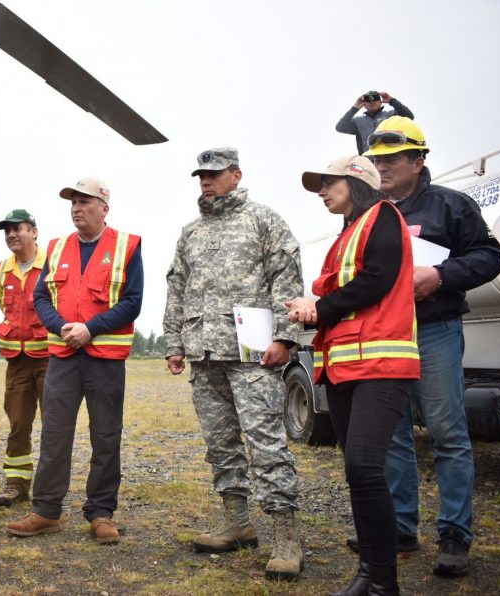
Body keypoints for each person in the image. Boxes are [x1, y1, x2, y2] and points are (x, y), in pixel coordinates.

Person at [358, 116, 500, 578]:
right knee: (394, 435)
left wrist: (439, 276)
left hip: (434, 329)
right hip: (385, 334)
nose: (382, 167)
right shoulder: (369, 212)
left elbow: (490, 256)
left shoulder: (450, 206)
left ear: (419, 161)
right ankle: (401, 528)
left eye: (392, 159)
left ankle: (455, 535)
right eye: (377, 160)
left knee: (447, 433)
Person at [163, 148, 305, 580]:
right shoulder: (190, 233)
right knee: (220, 444)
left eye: (214, 174)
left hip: (253, 355)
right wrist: (173, 342)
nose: (205, 181)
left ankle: (285, 537)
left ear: (236, 175)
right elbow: (177, 287)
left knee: (266, 443)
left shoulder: (263, 219)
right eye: (201, 175)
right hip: (205, 355)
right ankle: (237, 523)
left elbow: (288, 277)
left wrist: (285, 337)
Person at [286, 155, 420, 595]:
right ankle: (370, 574)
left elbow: (377, 279)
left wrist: (318, 307)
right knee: (356, 469)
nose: (322, 192)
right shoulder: (346, 233)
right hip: (345, 366)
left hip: (380, 365)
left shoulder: (382, 217)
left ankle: (383, 582)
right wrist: (309, 311)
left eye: (328, 183)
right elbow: (345, 292)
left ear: (356, 181)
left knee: (364, 466)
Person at [5, 177, 143, 544]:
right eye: (73, 203)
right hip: (64, 358)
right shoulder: (56, 246)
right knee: (54, 434)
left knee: (106, 436)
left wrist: (90, 329)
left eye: (84, 202)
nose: (76, 208)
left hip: (106, 360)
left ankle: (100, 513)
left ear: (103, 207)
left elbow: (133, 301)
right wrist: (62, 326)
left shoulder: (127, 246)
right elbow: (42, 298)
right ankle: (47, 511)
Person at [0, 208, 49, 507]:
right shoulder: (1, 270)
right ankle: (16, 484)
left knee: (54, 425)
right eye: (7, 231)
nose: (12, 235)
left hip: (50, 359)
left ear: (34, 232)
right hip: (17, 361)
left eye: (18, 229)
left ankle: (49, 488)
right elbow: (3, 304)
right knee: (17, 425)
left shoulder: (52, 264)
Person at [336, 90, 414, 155]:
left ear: (381, 102)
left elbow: (409, 116)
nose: (372, 102)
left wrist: (392, 100)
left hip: (389, 158)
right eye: (368, 101)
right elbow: (340, 127)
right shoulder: (357, 121)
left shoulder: (391, 115)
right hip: (367, 162)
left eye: (375, 99)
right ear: (364, 105)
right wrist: (355, 108)